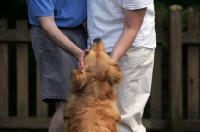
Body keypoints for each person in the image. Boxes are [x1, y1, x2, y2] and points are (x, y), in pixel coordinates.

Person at [87, 0, 156, 131]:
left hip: (128, 51)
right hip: (99, 51)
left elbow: (132, 27)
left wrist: (108, 64)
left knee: (124, 121)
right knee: (101, 121)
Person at [25, 1, 89, 131]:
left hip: (79, 30)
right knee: (67, 103)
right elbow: (47, 25)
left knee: (84, 101)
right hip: (53, 34)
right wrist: (78, 53)